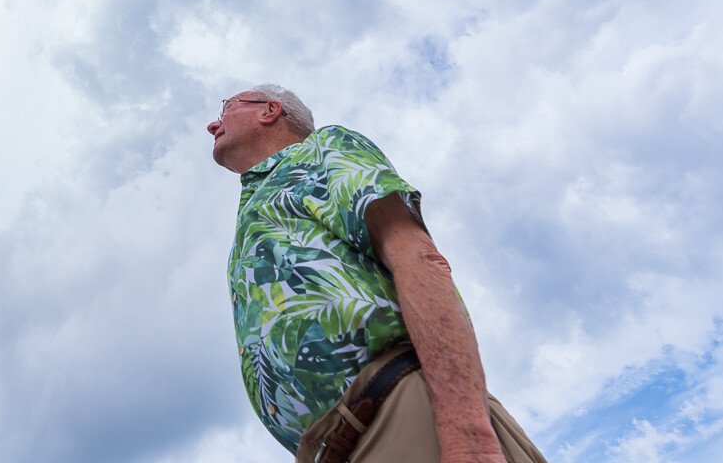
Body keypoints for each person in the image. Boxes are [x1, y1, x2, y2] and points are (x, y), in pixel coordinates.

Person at [207, 85, 549, 463]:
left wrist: (468, 437)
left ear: (269, 111)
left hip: (402, 414)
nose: (212, 124)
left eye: (226, 109)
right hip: (338, 448)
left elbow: (416, 257)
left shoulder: (321, 150)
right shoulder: (257, 205)